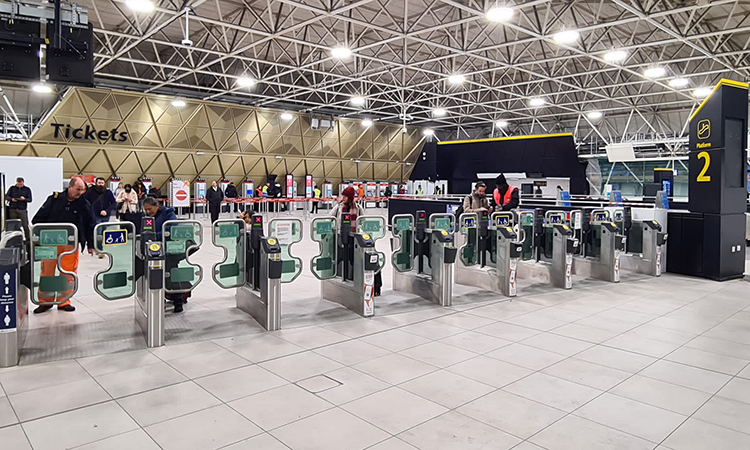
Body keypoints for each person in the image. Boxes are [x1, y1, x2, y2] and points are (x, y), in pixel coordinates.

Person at [32, 176, 96, 313]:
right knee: (46, 272)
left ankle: (64, 301)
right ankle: (45, 301)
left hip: (70, 244)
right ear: (70, 187)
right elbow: (37, 219)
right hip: (51, 243)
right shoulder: (54, 200)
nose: (80, 192)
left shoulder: (84, 204)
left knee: (68, 273)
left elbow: (90, 224)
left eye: (82, 190)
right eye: (78, 189)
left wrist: (91, 245)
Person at [331, 187, 382, 295]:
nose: (342, 198)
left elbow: (363, 221)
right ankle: (343, 278)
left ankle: (376, 286)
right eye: (342, 196)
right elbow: (330, 218)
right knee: (339, 259)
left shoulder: (358, 208)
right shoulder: (338, 207)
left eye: (344, 196)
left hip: (355, 239)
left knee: (367, 259)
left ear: (349, 198)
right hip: (341, 238)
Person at [143, 197, 189, 313]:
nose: (148, 212)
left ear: (156, 206)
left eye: (150, 209)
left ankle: (178, 301)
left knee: (171, 276)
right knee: (156, 277)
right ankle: (159, 300)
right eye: (145, 210)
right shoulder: (148, 217)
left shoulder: (168, 213)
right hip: (154, 250)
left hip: (169, 250)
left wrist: (154, 236)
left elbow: (171, 228)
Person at [6, 177, 32, 243]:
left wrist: (24, 199)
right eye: (18, 184)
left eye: (20, 184)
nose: (19, 185)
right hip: (13, 209)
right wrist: (11, 199)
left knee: (25, 225)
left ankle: (28, 240)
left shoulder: (27, 189)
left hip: (22, 209)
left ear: (23, 183)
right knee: (13, 225)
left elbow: (30, 199)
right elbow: (6, 196)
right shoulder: (12, 188)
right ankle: (13, 239)